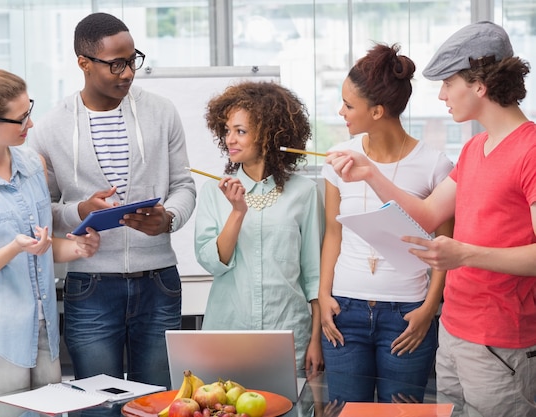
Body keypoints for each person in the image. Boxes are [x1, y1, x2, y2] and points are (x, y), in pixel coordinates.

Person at [326, 22, 536, 417]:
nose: (441, 95)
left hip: (501, 340)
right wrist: (370, 172)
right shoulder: (475, 149)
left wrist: (465, 255)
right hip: (454, 333)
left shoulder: (531, 150)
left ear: (479, 84)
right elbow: (424, 214)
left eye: (447, 83)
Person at [27, 12, 196, 388]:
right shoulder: (52, 127)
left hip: (158, 282)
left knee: (155, 403)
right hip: (90, 286)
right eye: (116, 64)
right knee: (97, 403)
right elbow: (45, 212)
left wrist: (168, 219)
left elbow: (184, 185)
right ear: (84, 64)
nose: (128, 73)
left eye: (133, 59)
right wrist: (80, 211)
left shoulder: (161, 112)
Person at [0, 58, 101, 401]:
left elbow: (40, 246)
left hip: (42, 329)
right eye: (21, 118)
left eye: (29, 109)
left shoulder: (33, 165)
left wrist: (77, 248)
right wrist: (12, 248)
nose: (31, 123)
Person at [319, 43, 454, 403]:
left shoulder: (434, 165)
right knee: (345, 411)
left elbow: (447, 247)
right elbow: (333, 233)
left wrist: (428, 309)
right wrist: (323, 295)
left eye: (348, 105)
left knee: (403, 413)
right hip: (344, 310)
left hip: (407, 314)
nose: (340, 112)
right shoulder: (339, 159)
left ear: (377, 111)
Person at [194, 81, 324, 373]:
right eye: (227, 130)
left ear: (270, 135)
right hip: (228, 332)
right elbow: (214, 263)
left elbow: (313, 274)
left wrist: (316, 340)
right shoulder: (213, 192)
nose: (230, 139)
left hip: (289, 332)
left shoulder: (305, 193)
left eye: (240, 131)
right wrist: (238, 212)